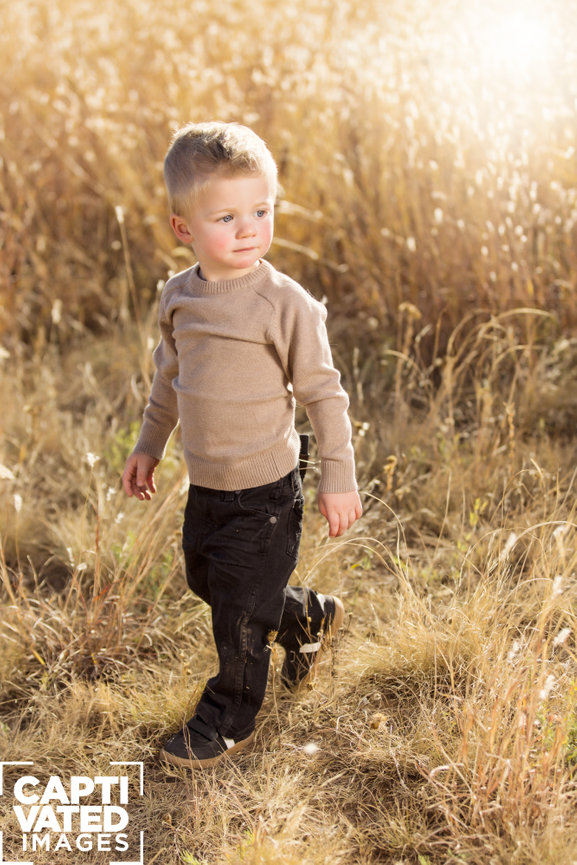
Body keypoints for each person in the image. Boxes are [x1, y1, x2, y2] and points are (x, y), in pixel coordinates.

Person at [122, 121, 363, 770]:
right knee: (209, 580)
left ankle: (228, 718)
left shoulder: (284, 304)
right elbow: (169, 378)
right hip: (208, 485)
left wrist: (337, 476)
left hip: (265, 491)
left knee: (237, 615)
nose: (249, 228)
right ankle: (305, 617)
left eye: (261, 210)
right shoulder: (180, 297)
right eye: (227, 217)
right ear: (183, 228)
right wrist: (149, 443)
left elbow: (324, 394)